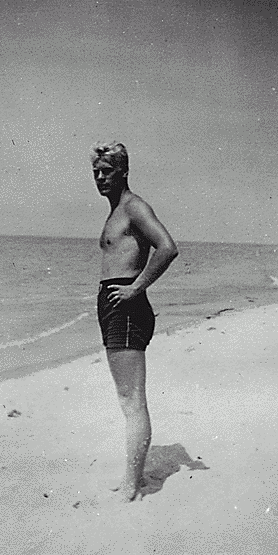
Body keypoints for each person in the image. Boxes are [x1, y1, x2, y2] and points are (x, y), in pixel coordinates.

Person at [91, 142, 178, 502]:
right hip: (114, 305)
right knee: (126, 398)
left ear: (123, 170)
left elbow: (168, 247)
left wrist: (135, 288)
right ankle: (134, 477)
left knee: (132, 399)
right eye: (96, 171)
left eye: (107, 171)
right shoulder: (116, 211)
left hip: (125, 305)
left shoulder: (134, 207)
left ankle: (132, 485)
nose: (99, 178)